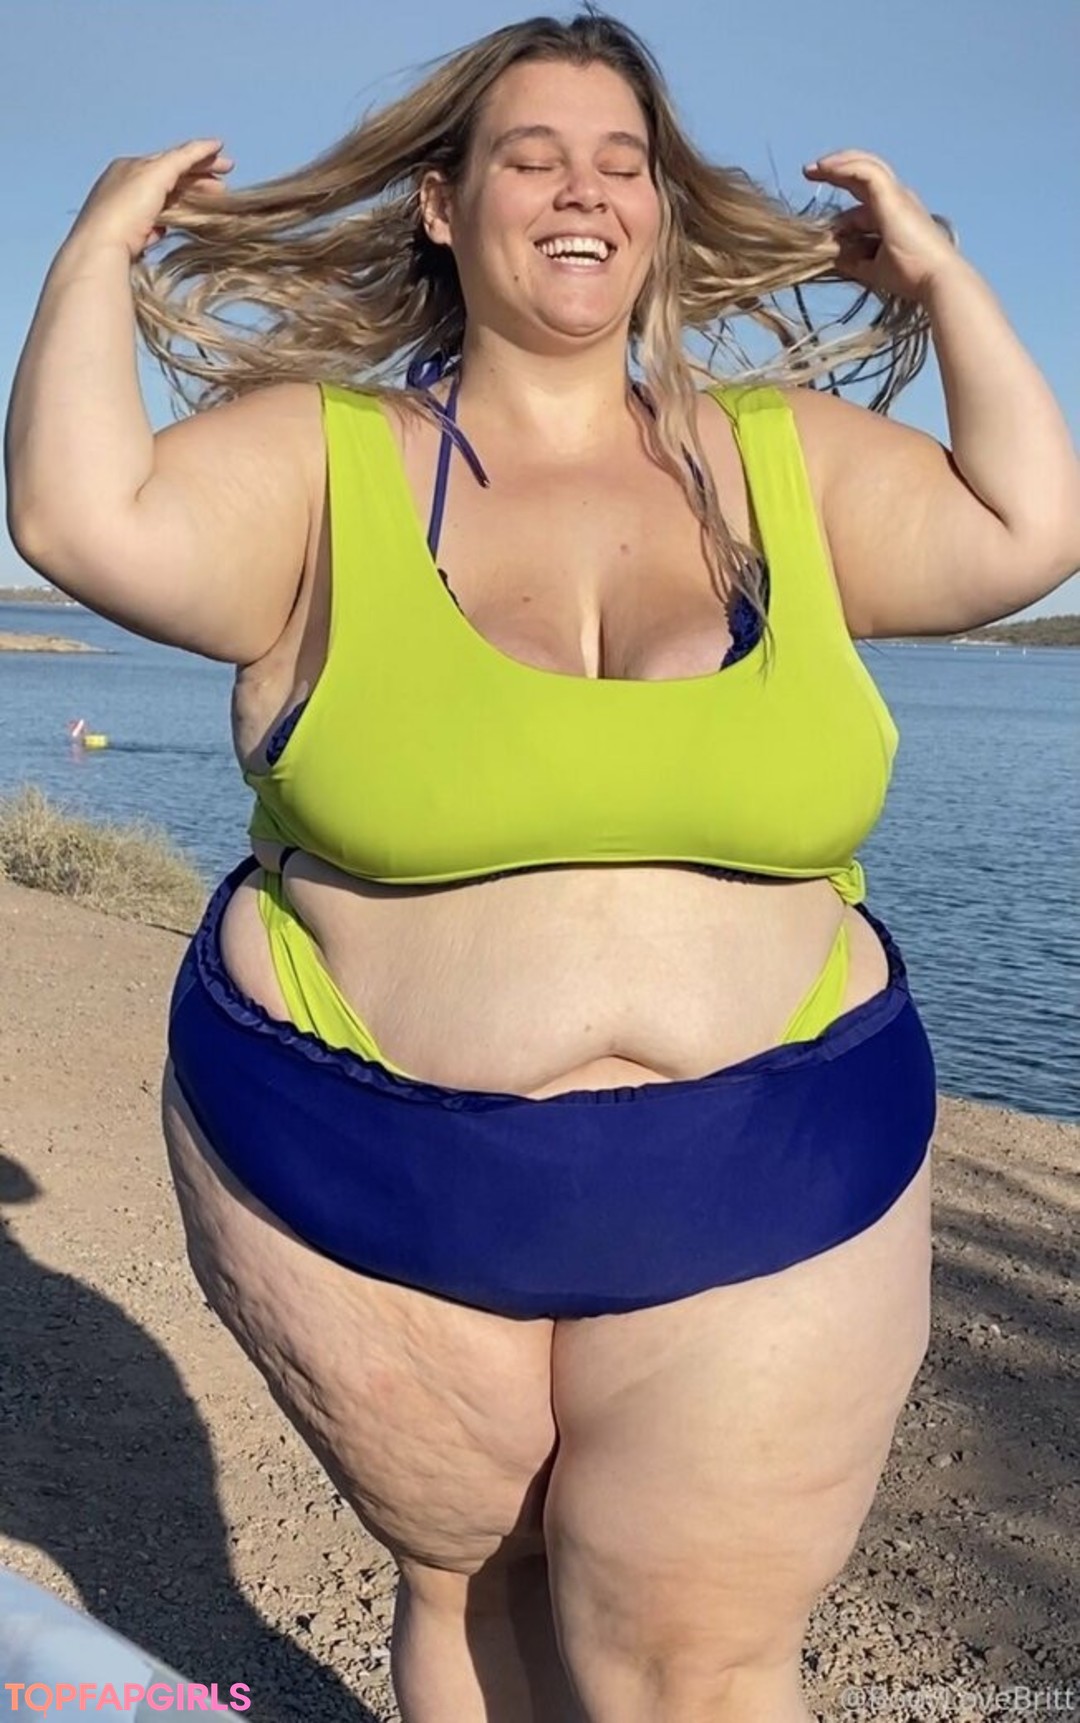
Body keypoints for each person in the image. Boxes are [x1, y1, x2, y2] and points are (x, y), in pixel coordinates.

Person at [8, 11, 1078, 1721]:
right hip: (364, 1165)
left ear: (659, 209)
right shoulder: (327, 460)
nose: (584, 191)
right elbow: (82, 519)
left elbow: (1027, 529)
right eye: (533, 157)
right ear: (444, 203)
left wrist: (943, 280)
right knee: (481, 1597)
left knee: (695, 1664)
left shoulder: (778, 459)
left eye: (622, 162)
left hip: (767, 1167)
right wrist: (99, 243)